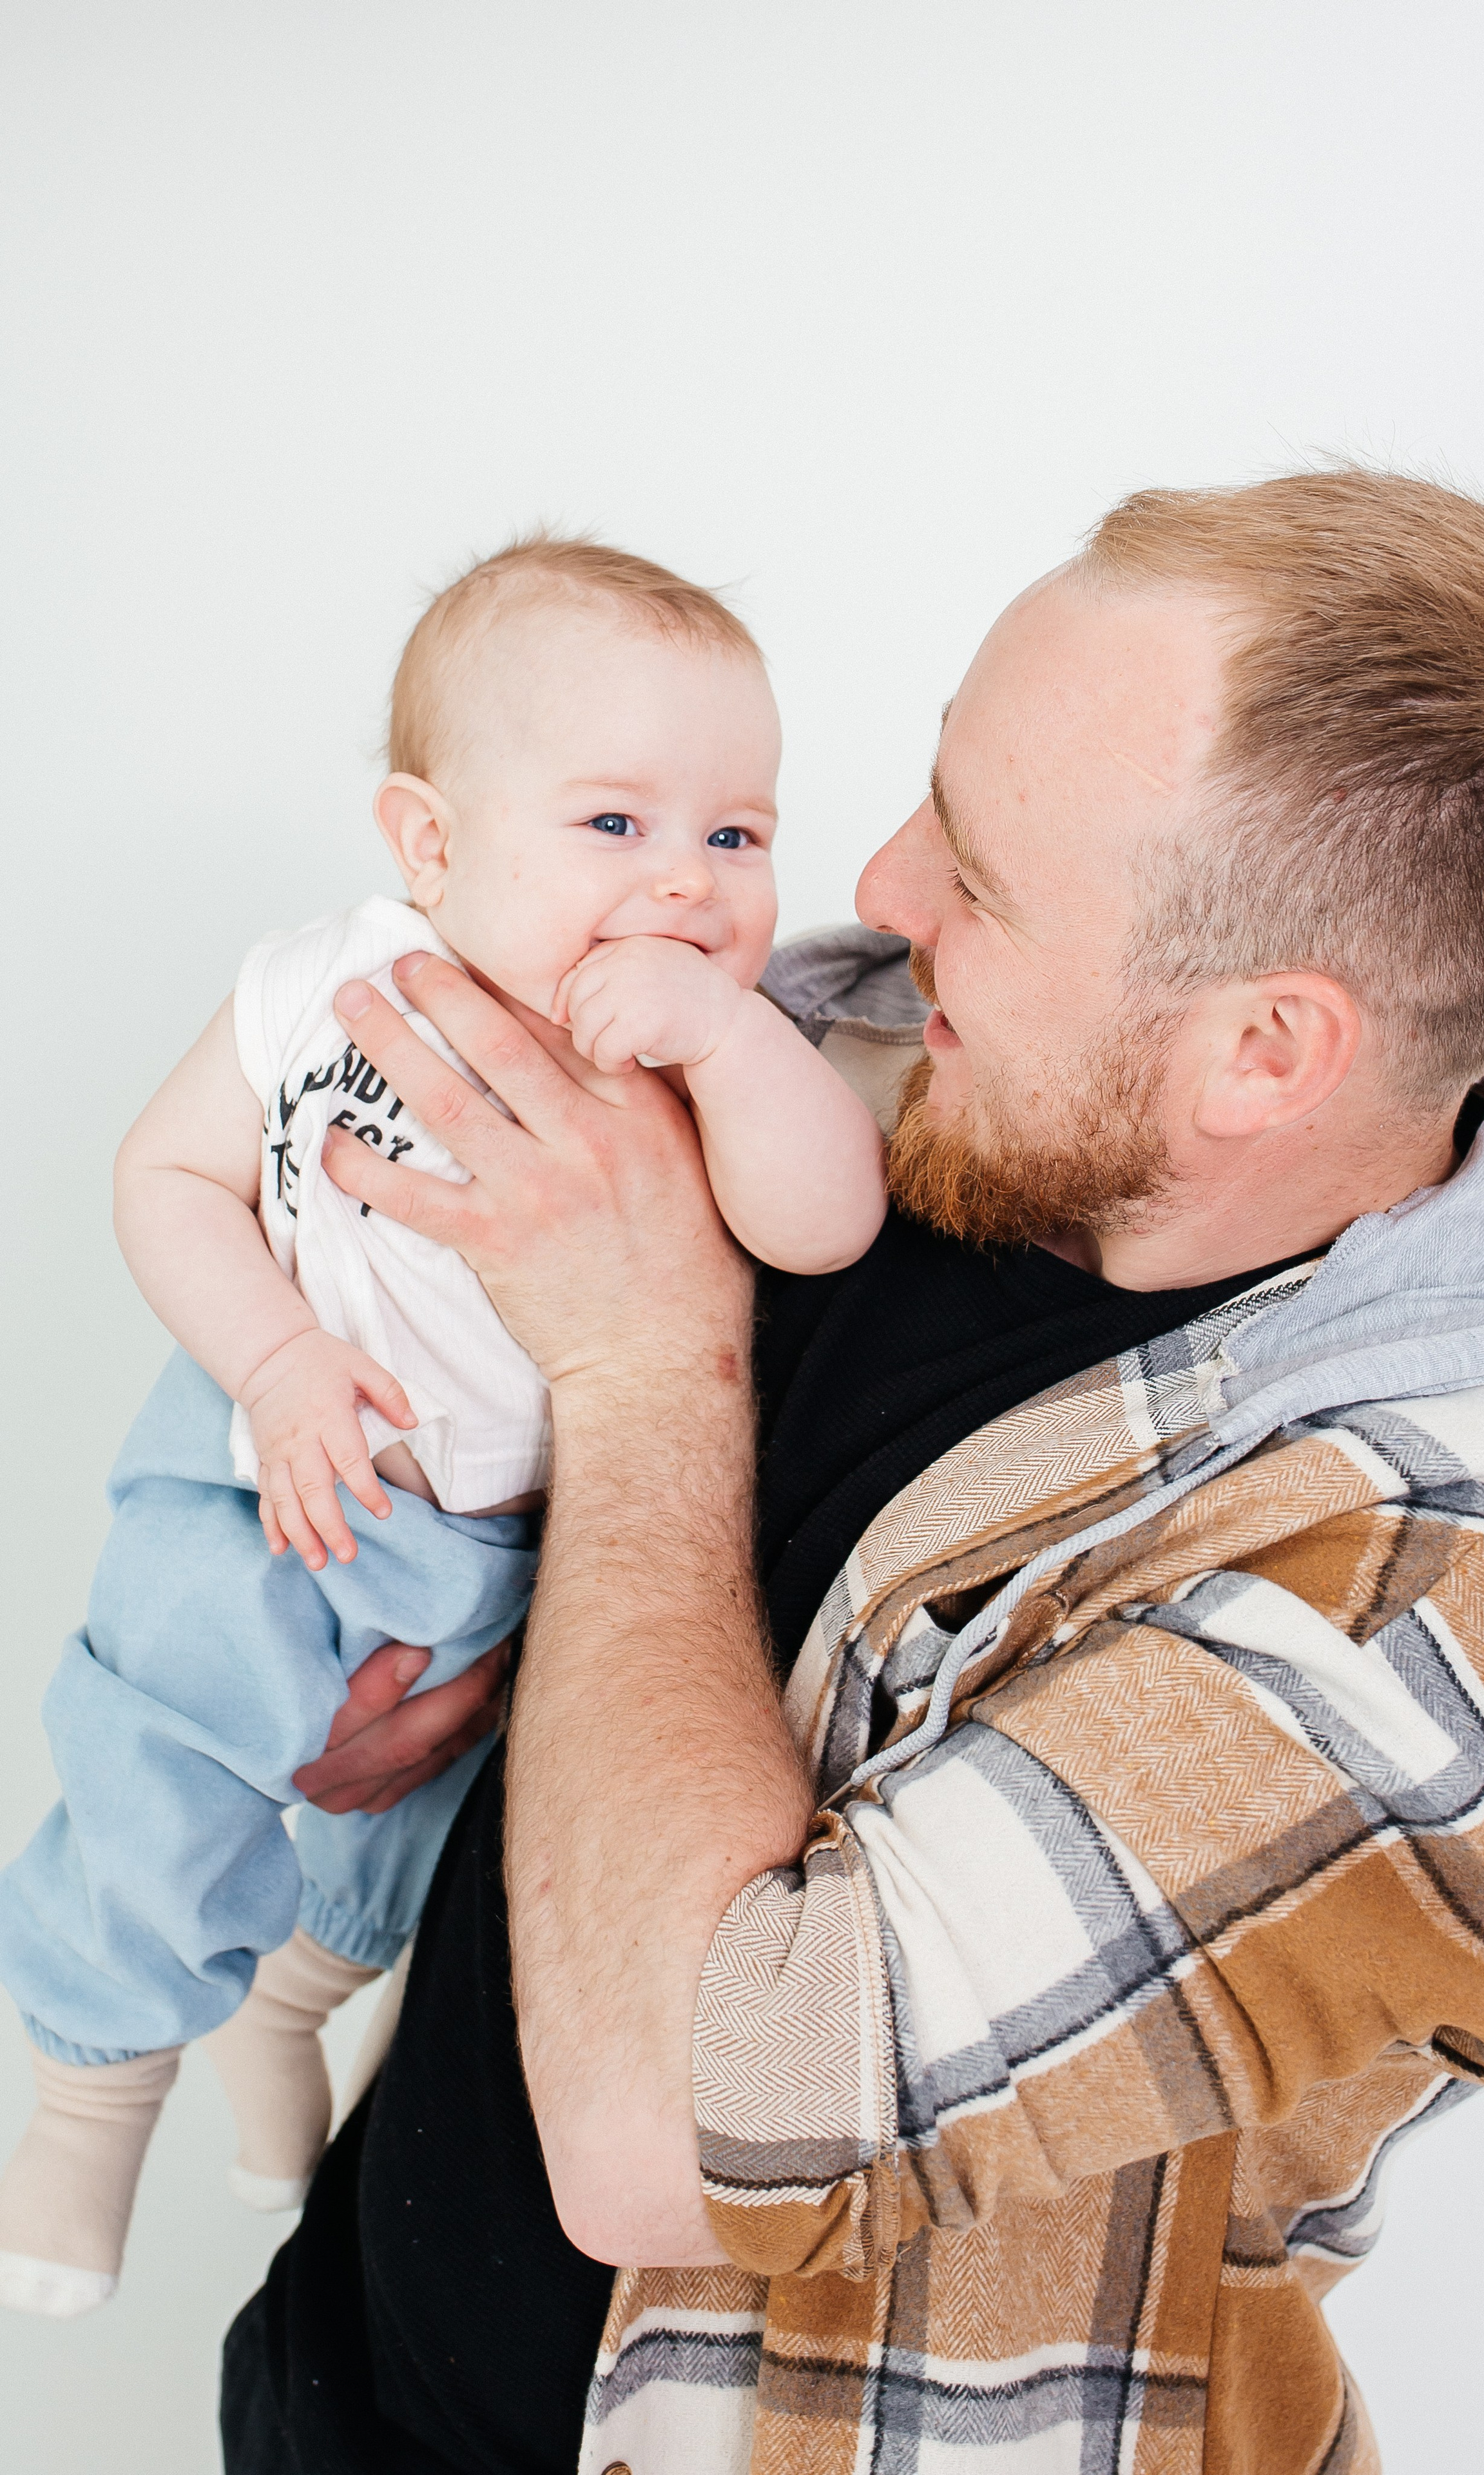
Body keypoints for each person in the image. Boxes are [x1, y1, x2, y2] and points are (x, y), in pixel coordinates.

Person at [223, 469, 1484, 2475]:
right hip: (339, 2381)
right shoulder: (884, 1058)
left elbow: (684, 2129)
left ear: (1266, 1051)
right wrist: (448, 1656)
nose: (881, 887)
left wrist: (645, 1366)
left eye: (980, 871)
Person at [0, 537, 887, 2318]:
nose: (686, 879)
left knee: (413, 1839)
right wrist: (275, 1362)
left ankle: (290, 2011)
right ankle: (91, 2092)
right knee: (166, 1762)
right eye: (615, 823)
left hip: (503, 1547)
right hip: (272, 1470)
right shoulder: (326, 988)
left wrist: (730, 1042)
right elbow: (165, 1177)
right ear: (430, 844)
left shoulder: (708, 1055)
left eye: (737, 834)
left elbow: (824, 1226)